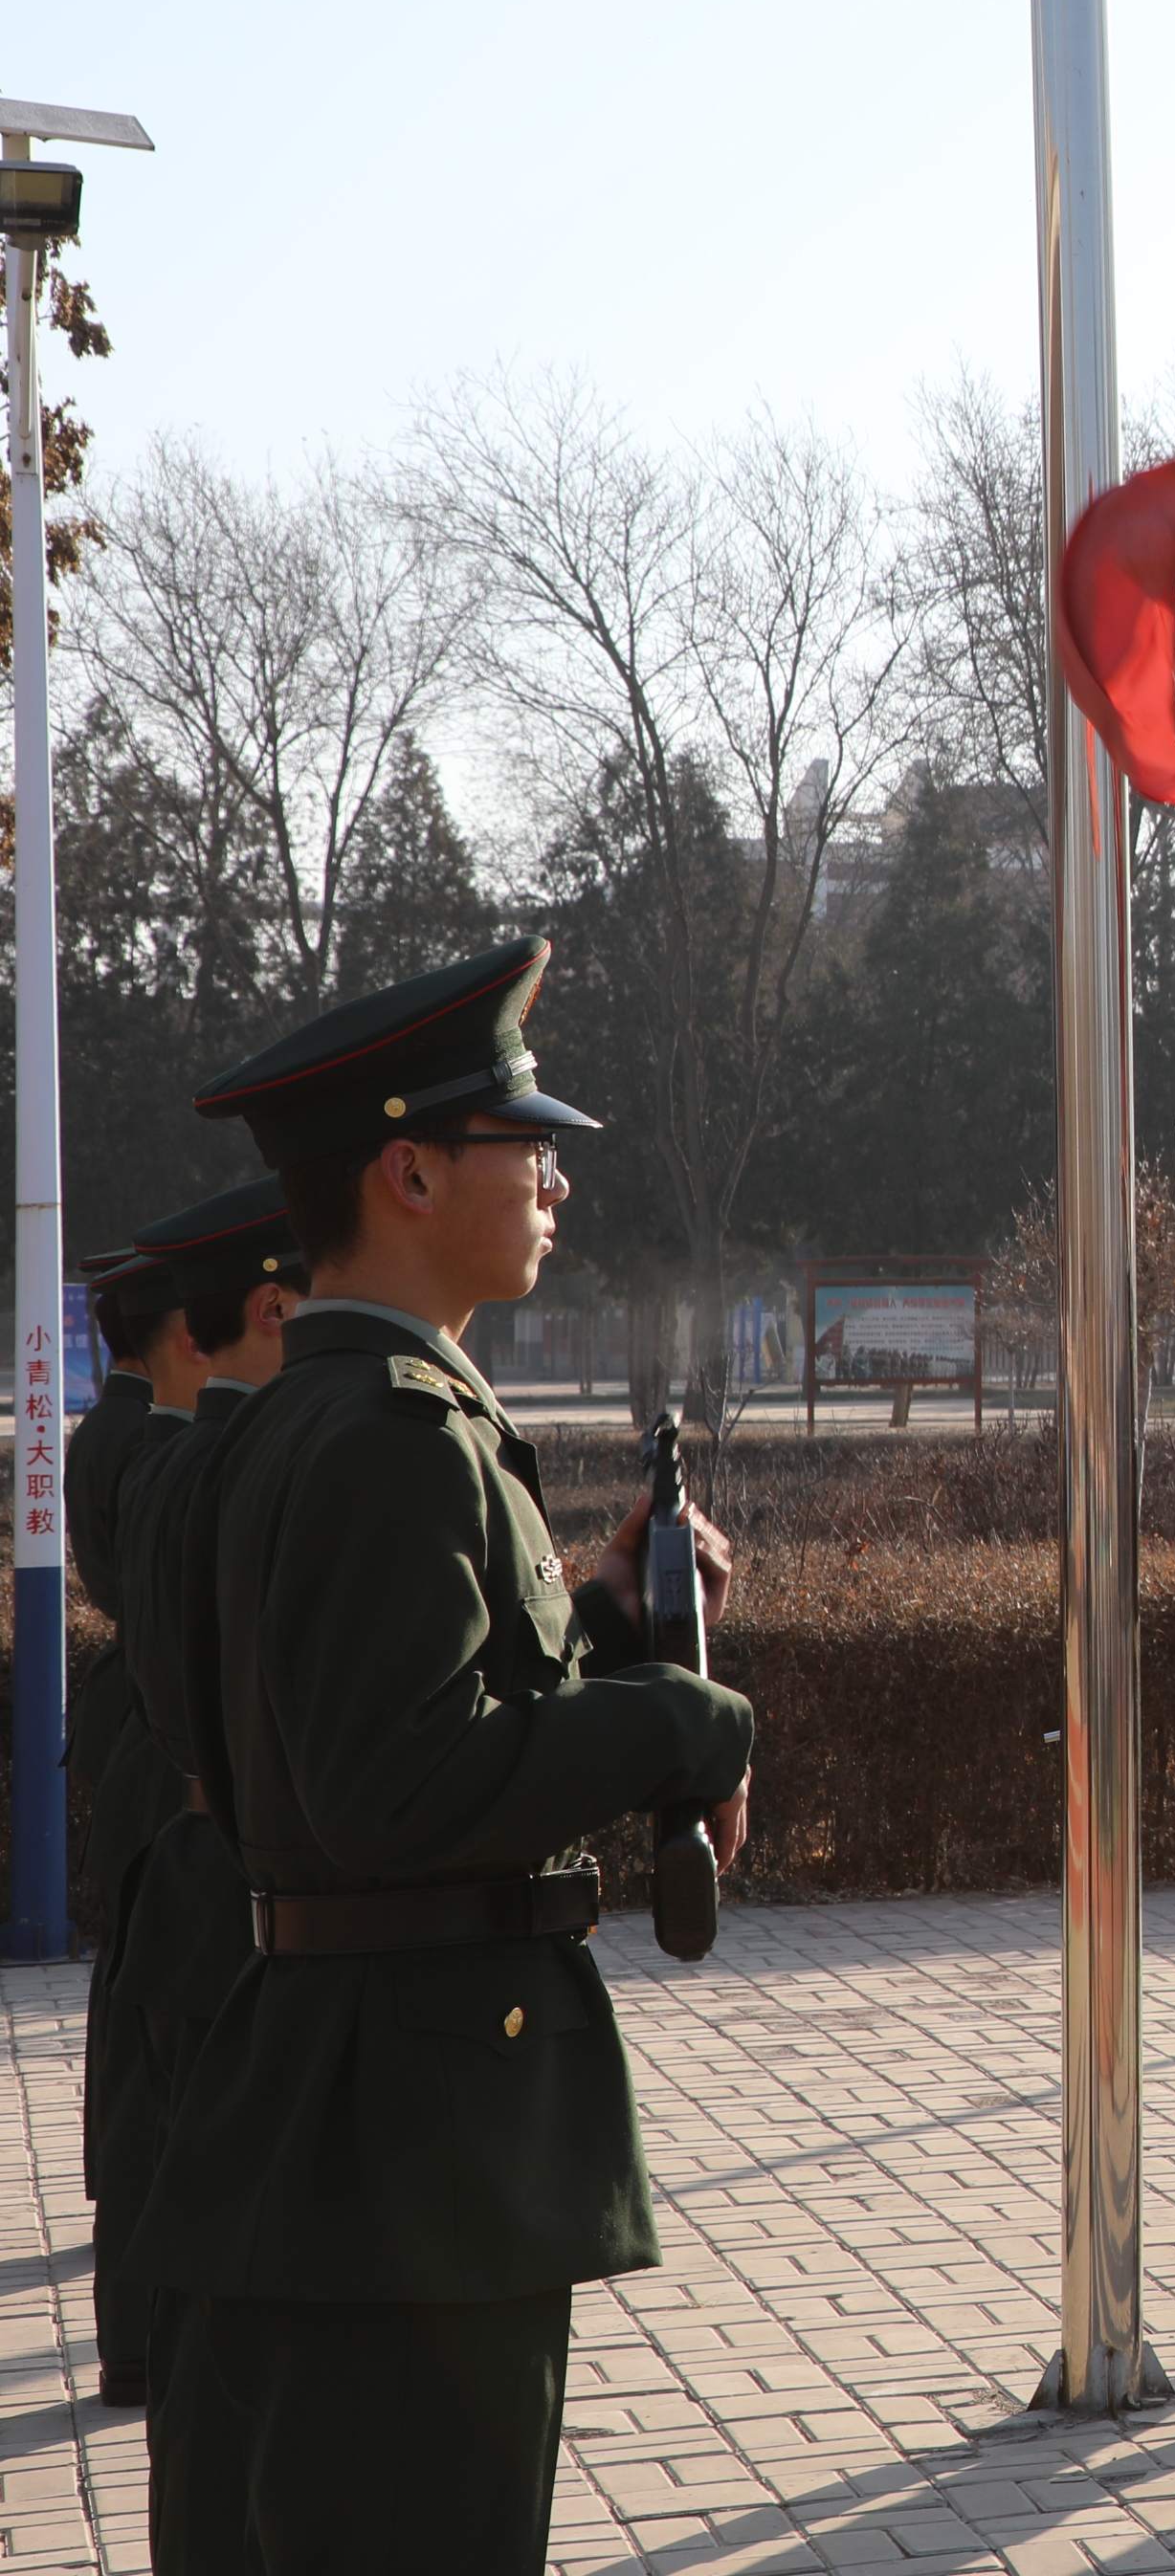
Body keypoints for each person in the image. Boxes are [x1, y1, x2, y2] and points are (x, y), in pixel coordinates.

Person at [137, 940, 756, 2576]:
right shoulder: (398, 1441)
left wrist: (603, 1619)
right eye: (523, 1143)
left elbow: (309, 1737)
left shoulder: (284, 1426)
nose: (556, 1178)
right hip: (415, 2157)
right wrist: (683, 1719)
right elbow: (397, 1788)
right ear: (408, 1173)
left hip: (317, 2108)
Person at [82, 1182, 304, 2424]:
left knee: (148, 2069)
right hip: (177, 1793)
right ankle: (146, 2340)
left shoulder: (161, 1446)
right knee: (164, 2083)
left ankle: (144, 2340)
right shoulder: (178, 1458)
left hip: (159, 1771)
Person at [62, 1237, 194, 2406]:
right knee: (154, 2054)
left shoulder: (104, 1432)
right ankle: (143, 2333)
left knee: (130, 2030)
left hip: (129, 1733)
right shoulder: (158, 1445)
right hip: (160, 1753)